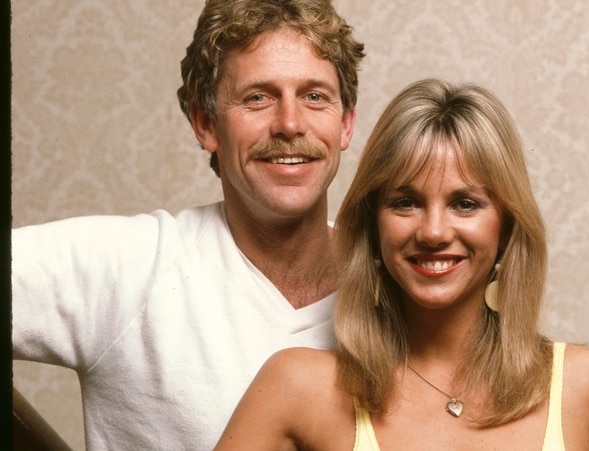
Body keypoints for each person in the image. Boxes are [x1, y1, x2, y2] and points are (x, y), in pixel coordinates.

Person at [214, 79, 589, 450]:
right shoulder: (297, 387)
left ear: (507, 227)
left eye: (465, 203)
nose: (433, 232)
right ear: (372, 226)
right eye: (405, 203)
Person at [11, 0, 365, 449]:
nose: (290, 124)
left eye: (315, 96)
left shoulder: (396, 281)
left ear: (346, 123)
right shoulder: (133, 267)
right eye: (258, 97)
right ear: (205, 123)